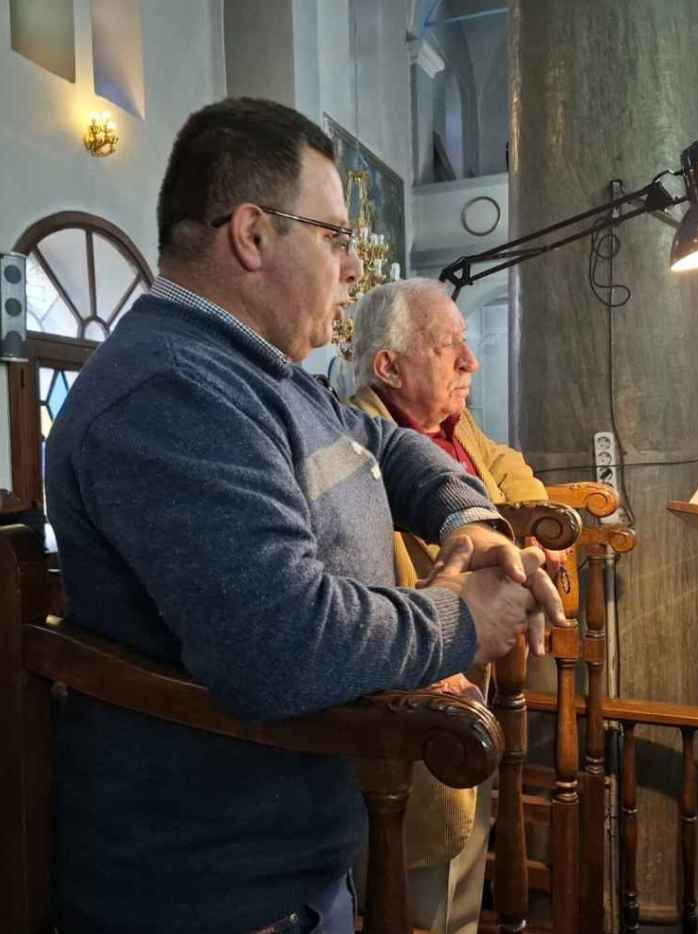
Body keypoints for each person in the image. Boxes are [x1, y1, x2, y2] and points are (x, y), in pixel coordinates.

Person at [44, 97, 563, 934]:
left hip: (299, 859)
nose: (354, 269)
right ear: (252, 235)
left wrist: (468, 519)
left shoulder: (272, 377)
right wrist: (462, 619)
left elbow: (395, 448)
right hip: (215, 890)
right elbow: (282, 640)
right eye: (335, 238)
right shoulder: (171, 390)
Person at [348, 278, 550, 934]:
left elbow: (510, 470)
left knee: (468, 857)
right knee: (419, 882)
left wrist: (522, 527)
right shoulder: (357, 443)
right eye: (448, 347)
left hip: (482, 683)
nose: (472, 362)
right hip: (419, 689)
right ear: (388, 367)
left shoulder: (458, 428)